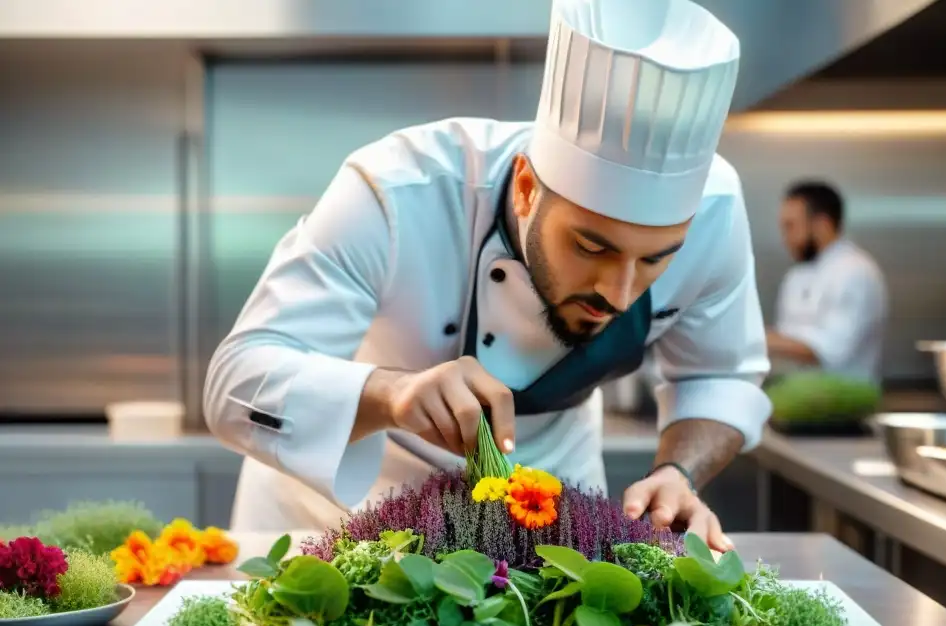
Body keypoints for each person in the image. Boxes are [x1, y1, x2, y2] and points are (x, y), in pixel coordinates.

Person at [203, 0, 773, 552]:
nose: (618, 293)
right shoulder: (398, 191)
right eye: (590, 245)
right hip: (338, 519)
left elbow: (721, 378)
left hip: (549, 513)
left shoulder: (716, 212)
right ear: (526, 189)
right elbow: (234, 383)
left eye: (655, 258)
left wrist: (678, 473)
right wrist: (393, 392)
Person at [767, 181, 889, 382]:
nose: (785, 238)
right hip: (796, 394)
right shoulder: (796, 274)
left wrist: (759, 339)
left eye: (791, 226)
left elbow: (829, 351)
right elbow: (785, 341)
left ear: (822, 225)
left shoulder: (855, 271)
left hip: (845, 399)